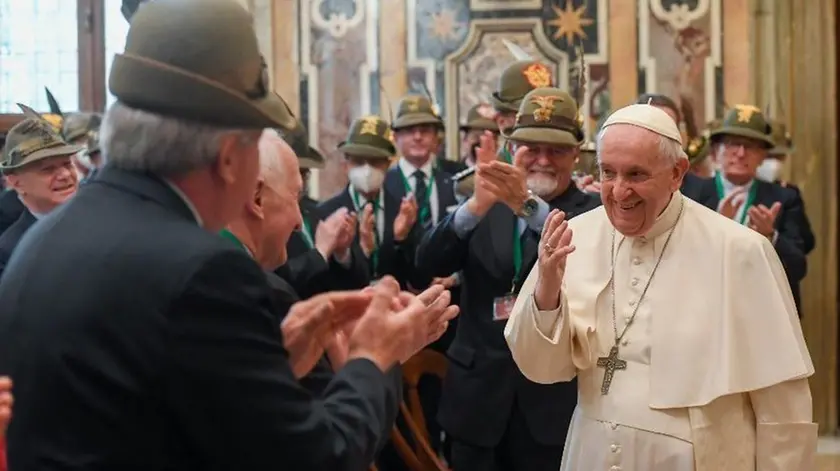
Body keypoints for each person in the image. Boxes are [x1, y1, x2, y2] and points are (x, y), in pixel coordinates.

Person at [0, 1, 458, 470]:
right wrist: (374, 357)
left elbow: (145, 412)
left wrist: (280, 361)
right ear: (228, 157)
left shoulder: (44, 240)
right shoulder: (201, 272)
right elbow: (318, 460)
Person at [505, 103, 816, 471]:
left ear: (677, 173)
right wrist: (547, 293)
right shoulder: (577, 237)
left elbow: (782, 405)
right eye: (608, 173)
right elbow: (541, 368)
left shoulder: (741, 250)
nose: (620, 193)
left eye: (636, 174)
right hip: (592, 452)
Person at [416, 87, 600, 471]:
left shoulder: (592, 212)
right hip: (477, 402)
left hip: (551, 408)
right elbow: (427, 260)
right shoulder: (484, 201)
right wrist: (474, 207)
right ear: (511, 148)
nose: (543, 160)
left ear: (577, 156)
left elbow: (577, 257)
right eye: (532, 148)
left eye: (557, 151)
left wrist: (527, 205)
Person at [696, 106, 809, 311]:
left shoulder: (783, 198)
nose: (740, 154)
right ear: (716, 151)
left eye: (750, 147)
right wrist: (716, 228)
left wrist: (770, 236)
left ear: (763, 156)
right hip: (707, 309)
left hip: (764, 311)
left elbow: (798, 267)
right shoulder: (692, 194)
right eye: (732, 144)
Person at [0, 118, 81, 278]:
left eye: (67, 164)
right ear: (16, 182)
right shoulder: (11, 250)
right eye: (47, 169)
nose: (65, 175)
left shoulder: (101, 221)